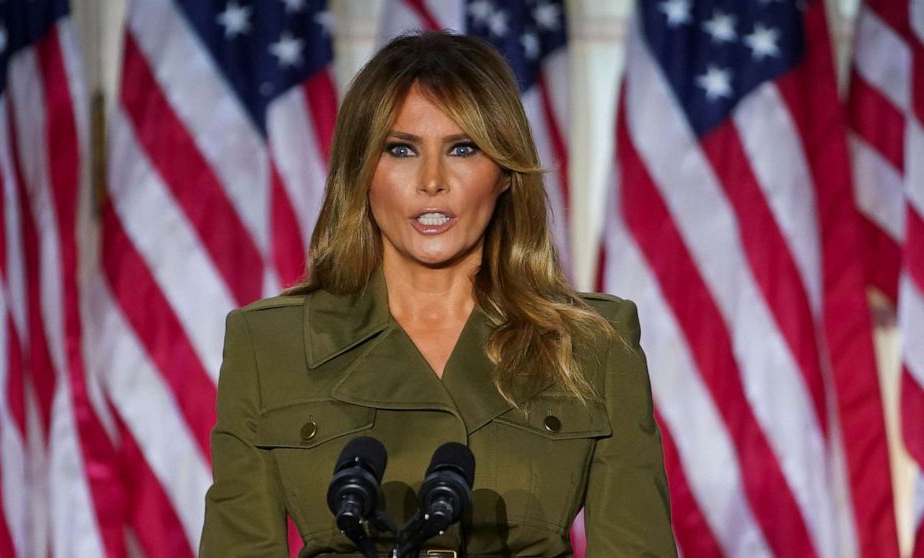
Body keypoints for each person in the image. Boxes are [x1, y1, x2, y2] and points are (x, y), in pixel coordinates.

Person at [200, 32, 676, 557]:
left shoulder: (595, 342)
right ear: (361, 171)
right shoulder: (269, 343)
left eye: (463, 148)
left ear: (503, 174)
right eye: (401, 149)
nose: (432, 181)